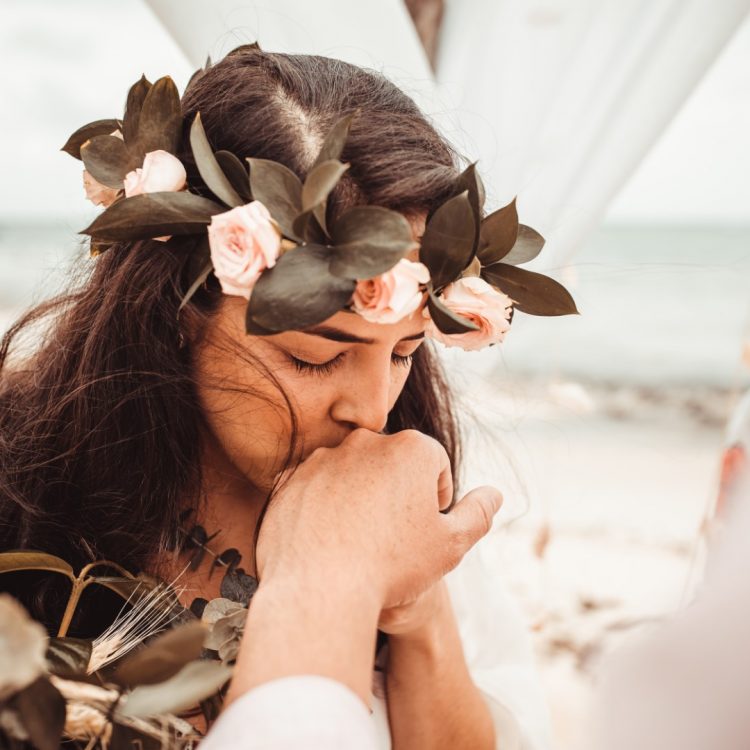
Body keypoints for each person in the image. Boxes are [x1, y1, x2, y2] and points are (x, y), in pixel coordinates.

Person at [0, 42, 575, 748]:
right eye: (314, 357)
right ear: (172, 315)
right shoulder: (23, 499)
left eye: (404, 350)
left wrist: (420, 612)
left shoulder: (405, 502)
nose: (371, 410)